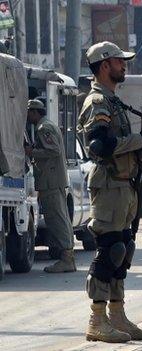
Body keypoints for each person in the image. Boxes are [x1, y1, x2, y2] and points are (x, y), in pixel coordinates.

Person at [77, 41, 142, 343]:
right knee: (111, 250)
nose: (124, 66)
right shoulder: (97, 103)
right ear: (105, 65)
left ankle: (117, 315)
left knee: (124, 249)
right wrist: (135, 142)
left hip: (125, 185)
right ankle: (97, 319)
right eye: (120, 62)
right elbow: (99, 147)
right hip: (108, 185)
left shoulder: (113, 101)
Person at [24, 99, 76, 273]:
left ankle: (67, 259)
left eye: (29, 112)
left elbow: (54, 150)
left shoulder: (43, 127)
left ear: (35, 112)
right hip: (54, 180)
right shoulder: (47, 125)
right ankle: (68, 257)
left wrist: (32, 152)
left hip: (51, 181)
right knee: (62, 219)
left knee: (57, 219)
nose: (28, 116)